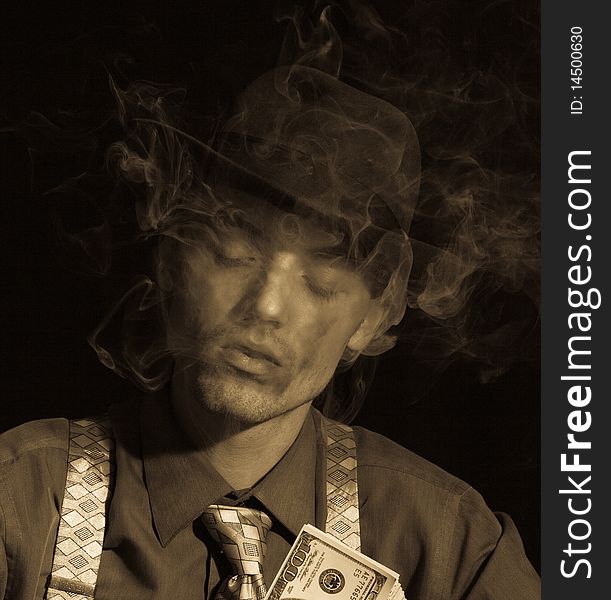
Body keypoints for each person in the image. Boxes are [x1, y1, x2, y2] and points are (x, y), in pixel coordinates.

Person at [0, 66, 540, 599]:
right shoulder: (18, 500)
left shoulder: (457, 551)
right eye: (236, 250)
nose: (266, 306)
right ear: (171, 257)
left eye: (320, 279)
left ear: (377, 312)